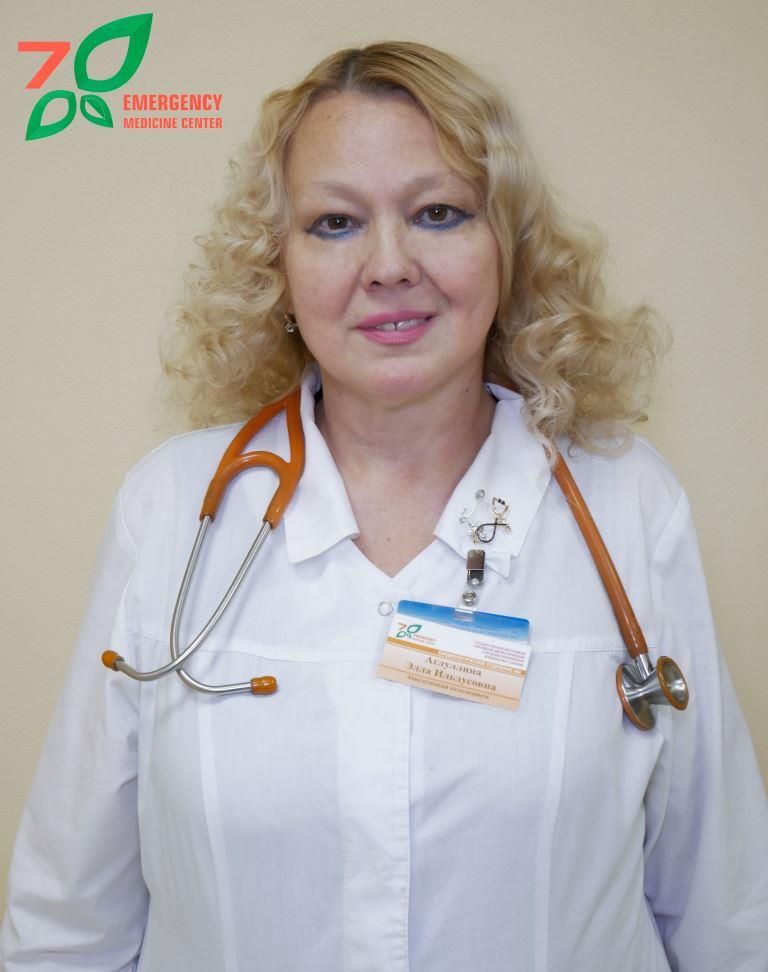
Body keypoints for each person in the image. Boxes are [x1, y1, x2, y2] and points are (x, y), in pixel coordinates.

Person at [2, 41, 767, 972]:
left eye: (438, 212)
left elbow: (728, 915)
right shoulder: (170, 506)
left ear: (507, 245)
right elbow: (66, 928)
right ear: (278, 266)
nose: (389, 264)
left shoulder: (627, 503)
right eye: (335, 223)